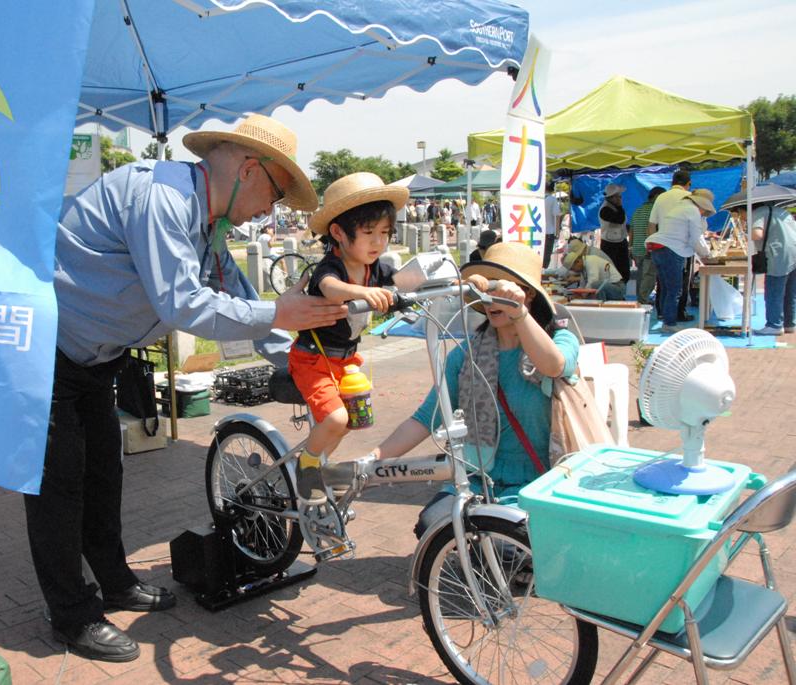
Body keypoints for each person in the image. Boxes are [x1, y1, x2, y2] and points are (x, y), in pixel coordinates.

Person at [30, 113, 347, 662]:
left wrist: (293, 368)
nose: (269, 211)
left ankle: (115, 580)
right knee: (60, 486)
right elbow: (182, 303)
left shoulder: (208, 225)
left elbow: (238, 293)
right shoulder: (163, 200)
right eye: (274, 194)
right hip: (47, 353)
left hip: (96, 359)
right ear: (250, 170)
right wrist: (281, 311)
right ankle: (72, 615)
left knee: (104, 472)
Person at [371, 241, 580, 502]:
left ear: (528, 294)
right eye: (488, 287)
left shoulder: (560, 339)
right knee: (434, 523)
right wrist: (371, 462)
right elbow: (427, 416)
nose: (491, 299)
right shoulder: (467, 354)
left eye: (501, 287)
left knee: (508, 539)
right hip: (477, 478)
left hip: (540, 482)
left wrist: (519, 313)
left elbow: (554, 365)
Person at [288, 173, 406, 504]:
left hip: (346, 360)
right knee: (337, 418)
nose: (377, 242)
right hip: (313, 359)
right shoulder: (332, 267)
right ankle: (307, 464)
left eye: (384, 233)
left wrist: (447, 278)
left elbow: (405, 280)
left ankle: (318, 461)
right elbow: (330, 289)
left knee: (352, 419)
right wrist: (364, 292)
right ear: (338, 233)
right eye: (368, 232)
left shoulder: (376, 268)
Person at [646, 190, 714, 333]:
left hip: (658, 248)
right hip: (672, 250)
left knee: (665, 287)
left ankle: (665, 319)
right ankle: (669, 322)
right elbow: (696, 238)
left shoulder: (679, 207)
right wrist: (707, 255)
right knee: (675, 289)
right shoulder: (692, 211)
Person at [737, 202, 796, 335]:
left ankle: (774, 325)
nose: (742, 218)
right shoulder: (782, 211)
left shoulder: (758, 213)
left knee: (774, 290)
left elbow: (757, 234)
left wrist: (747, 232)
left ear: (746, 210)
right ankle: (789, 323)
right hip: (793, 250)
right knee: (790, 291)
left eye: (741, 214)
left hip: (778, 254)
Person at [629, 186, 666, 306]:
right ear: (657, 197)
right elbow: (649, 229)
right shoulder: (655, 210)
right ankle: (642, 301)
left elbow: (632, 230)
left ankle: (639, 300)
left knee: (640, 276)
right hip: (648, 248)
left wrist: (630, 247)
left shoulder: (638, 210)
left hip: (636, 248)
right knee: (649, 276)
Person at [599, 184, 630, 282]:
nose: (620, 199)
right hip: (609, 244)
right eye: (618, 197)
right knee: (612, 272)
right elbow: (619, 219)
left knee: (624, 272)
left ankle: (622, 290)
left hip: (620, 242)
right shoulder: (605, 209)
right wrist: (620, 206)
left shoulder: (616, 208)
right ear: (612, 197)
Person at [543, 180, 562, 268]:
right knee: (546, 255)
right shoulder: (552, 199)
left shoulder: (538, 198)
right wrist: (557, 232)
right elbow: (557, 216)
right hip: (549, 232)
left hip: (537, 231)